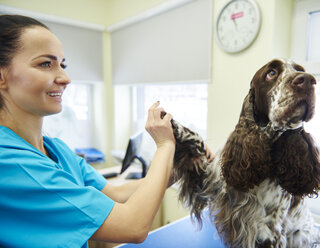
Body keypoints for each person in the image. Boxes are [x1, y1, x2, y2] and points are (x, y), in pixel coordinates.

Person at [0, 15, 213, 247]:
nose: (65, 78)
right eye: (45, 64)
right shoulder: (9, 163)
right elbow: (132, 225)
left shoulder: (55, 149)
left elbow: (116, 195)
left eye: (63, 64)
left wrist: (182, 169)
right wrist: (165, 145)